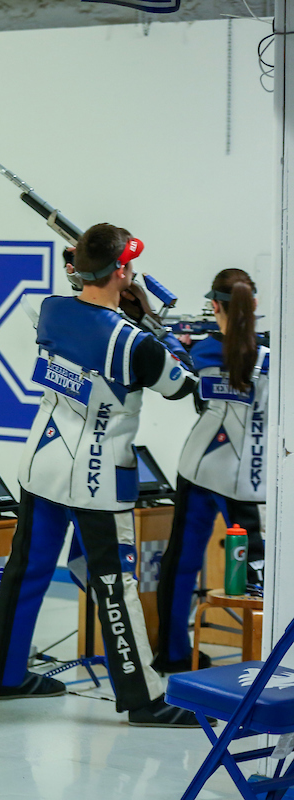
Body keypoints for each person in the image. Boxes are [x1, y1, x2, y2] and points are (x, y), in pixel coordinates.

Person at [0, 223, 202, 727]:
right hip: (98, 479)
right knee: (115, 586)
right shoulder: (136, 345)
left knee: (26, 571)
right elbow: (183, 384)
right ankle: (144, 699)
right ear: (122, 272)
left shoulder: (51, 310)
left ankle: (6, 676)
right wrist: (156, 325)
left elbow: (85, 314)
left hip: (42, 462)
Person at [153, 268, 268, 673]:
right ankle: (268, 663)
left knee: (181, 563)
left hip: (201, 468)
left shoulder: (203, 352)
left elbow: (178, 369)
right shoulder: (272, 354)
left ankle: (172, 656)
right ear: (253, 305)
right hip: (253, 479)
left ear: (215, 306)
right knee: (260, 573)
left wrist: (168, 337)